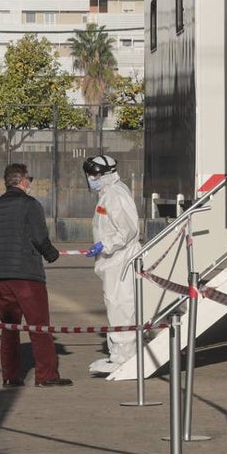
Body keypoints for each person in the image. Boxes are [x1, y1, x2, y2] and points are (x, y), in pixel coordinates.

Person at [0, 163, 72, 387]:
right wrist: (52, 254)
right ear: (23, 181)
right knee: (39, 326)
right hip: (26, 274)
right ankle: (46, 376)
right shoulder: (30, 205)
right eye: (28, 179)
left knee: (9, 328)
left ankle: (10, 376)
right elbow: (39, 237)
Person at [81, 155, 144, 375]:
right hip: (113, 262)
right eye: (90, 175)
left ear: (107, 174)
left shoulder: (116, 195)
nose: (91, 179)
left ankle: (124, 358)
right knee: (115, 306)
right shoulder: (107, 194)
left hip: (121, 260)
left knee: (121, 306)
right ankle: (118, 355)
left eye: (95, 174)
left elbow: (128, 230)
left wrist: (104, 245)